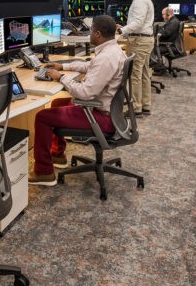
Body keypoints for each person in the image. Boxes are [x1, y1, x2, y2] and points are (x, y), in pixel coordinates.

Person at [29, 15, 127, 186]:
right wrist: (64, 66)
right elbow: (90, 66)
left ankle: (43, 172)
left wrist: (61, 77)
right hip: (110, 112)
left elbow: (85, 93)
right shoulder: (113, 50)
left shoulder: (106, 58)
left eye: (90, 31)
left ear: (97, 34)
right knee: (57, 103)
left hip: (101, 117)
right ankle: (57, 155)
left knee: (42, 116)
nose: (89, 34)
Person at [116, 0, 154, 115]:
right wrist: (125, 27)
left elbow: (138, 23)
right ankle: (145, 105)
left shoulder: (140, 1)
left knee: (134, 75)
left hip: (139, 42)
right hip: (144, 40)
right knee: (144, 74)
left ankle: (136, 108)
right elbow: (139, 22)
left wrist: (121, 30)